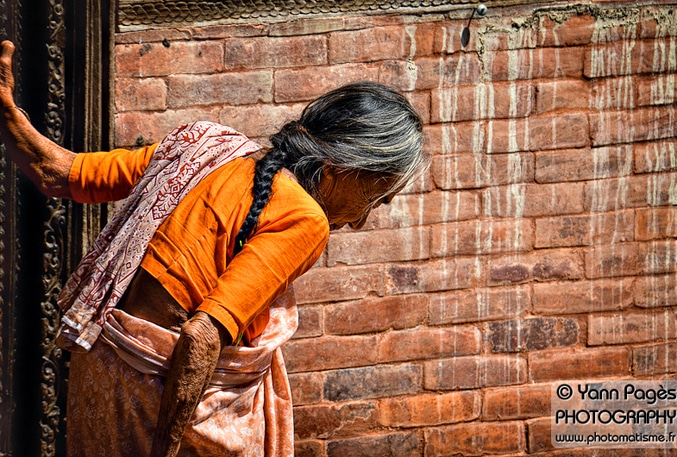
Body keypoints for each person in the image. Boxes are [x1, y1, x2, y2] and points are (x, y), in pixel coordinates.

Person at [0, 40, 426, 456]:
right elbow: (203, 334)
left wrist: (8, 114)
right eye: (376, 198)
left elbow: (57, 172)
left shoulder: (207, 147)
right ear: (341, 168)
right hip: (154, 404)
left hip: (102, 378)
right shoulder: (305, 219)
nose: (360, 220)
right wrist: (165, 447)